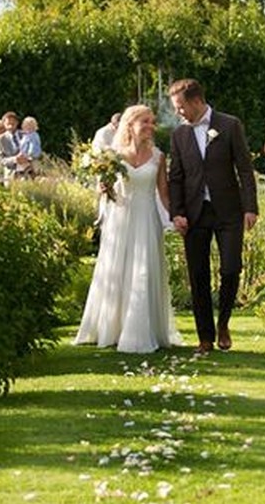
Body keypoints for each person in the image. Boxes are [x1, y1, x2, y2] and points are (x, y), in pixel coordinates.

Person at [74, 105, 184, 353]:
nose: (150, 126)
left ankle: (143, 330)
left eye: (152, 122)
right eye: (145, 121)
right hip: (120, 219)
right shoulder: (112, 156)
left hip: (146, 218)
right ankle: (112, 327)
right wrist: (103, 189)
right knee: (117, 270)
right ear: (130, 123)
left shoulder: (158, 156)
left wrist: (176, 217)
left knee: (143, 270)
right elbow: (106, 189)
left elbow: (164, 194)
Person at [167, 78, 258, 354]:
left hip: (228, 210)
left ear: (196, 101)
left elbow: (244, 168)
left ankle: (224, 324)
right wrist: (177, 213)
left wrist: (250, 207)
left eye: (180, 106)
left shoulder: (230, 125)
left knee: (231, 268)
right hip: (195, 214)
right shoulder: (179, 135)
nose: (178, 112)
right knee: (198, 276)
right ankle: (205, 337)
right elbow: (176, 178)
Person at [0, 111, 28, 180]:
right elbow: (0, 160)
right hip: (11, 175)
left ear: (17, 123)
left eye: (13, 123)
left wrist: (27, 157)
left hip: (28, 173)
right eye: (8, 123)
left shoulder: (26, 135)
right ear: (4, 124)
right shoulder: (0, 139)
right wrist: (14, 159)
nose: (11, 125)